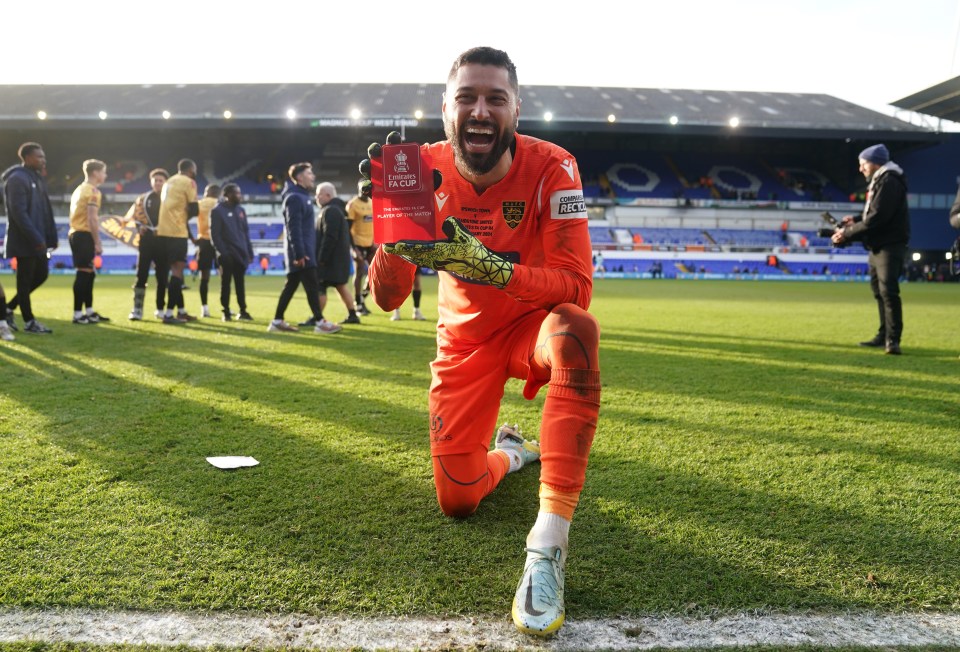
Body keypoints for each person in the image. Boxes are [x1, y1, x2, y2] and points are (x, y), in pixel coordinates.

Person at [361, 47, 600, 637]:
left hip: (529, 328)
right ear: (445, 109)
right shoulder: (418, 169)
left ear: (516, 108)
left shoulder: (554, 166)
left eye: (496, 98)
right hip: (463, 344)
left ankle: (548, 544)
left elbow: (577, 285)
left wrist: (491, 267)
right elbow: (388, 299)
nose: (481, 109)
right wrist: (394, 231)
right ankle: (513, 453)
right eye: (467, 97)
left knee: (577, 332)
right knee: (458, 500)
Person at [831, 144, 910, 355]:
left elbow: (878, 217)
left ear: (875, 163)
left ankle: (893, 340)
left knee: (888, 292)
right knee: (879, 292)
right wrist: (856, 219)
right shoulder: (882, 180)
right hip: (878, 244)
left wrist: (847, 233)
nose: (861, 169)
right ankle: (884, 335)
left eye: (863, 164)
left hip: (889, 245)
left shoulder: (889, 181)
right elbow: (875, 211)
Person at [268, 162, 340, 334]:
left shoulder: (301, 197)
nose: (313, 176)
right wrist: (299, 252)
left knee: (293, 285)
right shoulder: (294, 198)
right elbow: (293, 227)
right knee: (312, 286)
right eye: (309, 173)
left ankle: (277, 321)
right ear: (300, 177)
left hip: (302, 250)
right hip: (301, 252)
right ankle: (320, 322)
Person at [3, 142, 58, 334]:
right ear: (27, 158)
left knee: (42, 275)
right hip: (24, 240)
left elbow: (45, 211)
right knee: (24, 280)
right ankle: (29, 321)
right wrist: (36, 238)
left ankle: (8, 309)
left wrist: (51, 237)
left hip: (38, 239)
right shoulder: (17, 179)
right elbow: (18, 213)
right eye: (39, 156)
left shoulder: (36, 178)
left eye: (43, 156)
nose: (43, 160)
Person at [156, 158, 201, 324]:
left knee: (175, 272)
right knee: (177, 272)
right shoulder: (189, 182)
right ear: (191, 170)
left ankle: (181, 311)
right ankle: (169, 314)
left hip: (163, 233)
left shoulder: (169, 182)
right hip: (177, 233)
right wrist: (187, 213)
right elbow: (195, 210)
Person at [68, 159, 110, 324]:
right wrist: (97, 242)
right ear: (95, 173)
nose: (105, 175)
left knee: (89, 273)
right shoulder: (93, 191)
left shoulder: (79, 189)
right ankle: (78, 314)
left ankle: (89, 311)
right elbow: (92, 219)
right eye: (104, 171)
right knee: (83, 273)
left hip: (76, 233)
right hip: (83, 234)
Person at [127, 168, 170, 320]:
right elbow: (132, 218)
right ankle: (137, 310)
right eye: (155, 180)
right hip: (146, 242)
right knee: (141, 275)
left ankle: (160, 308)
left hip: (164, 241)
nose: (158, 183)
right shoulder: (142, 199)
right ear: (151, 182)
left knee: (163, 277)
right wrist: (140, 227)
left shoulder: (170, 199)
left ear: (166, 182)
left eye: (161, 180)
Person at [315, 182, 360, 325]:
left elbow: (330, 236)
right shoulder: (338, 209)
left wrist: (322, 258)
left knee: (320, 286)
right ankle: (353, 314)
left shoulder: (330, 210)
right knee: (340, 285)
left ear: (327, 195)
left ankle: (317, 317)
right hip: (339, 258)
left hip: (330, 259)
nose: (316, 198)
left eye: (318, 194)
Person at [210, 183, 254, 321]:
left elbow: (246, 233)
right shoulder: (217, 210)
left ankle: (243, 311)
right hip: (227, 254)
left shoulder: (241, 210)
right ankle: (226, 312)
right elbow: (215, 235)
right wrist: (223, 252)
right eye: (236, 193)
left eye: (239, 193)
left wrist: (249, 252)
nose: (239, 195)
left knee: (240, 284)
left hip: (241, 253)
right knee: (225, 284)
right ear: (227, 195)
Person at [345, 192, 375, 315]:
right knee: (360, 272)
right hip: (358, 243)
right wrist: (353, 248)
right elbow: (347, 229)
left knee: (374, 273)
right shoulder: (353, 205)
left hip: (371, 244)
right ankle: (358, 303)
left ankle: (362, 297)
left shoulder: (372, 202)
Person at [195, 184, 220, 317]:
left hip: (203, 241)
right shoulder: (220, 203)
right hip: (220, 243)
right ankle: (225, 307)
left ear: (207, 192)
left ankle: (204, 308)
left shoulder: (200, 204)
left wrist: (193, 238)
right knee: (224, 276)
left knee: (204, 278)